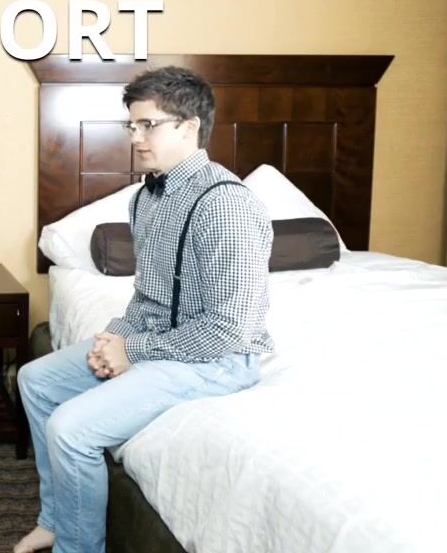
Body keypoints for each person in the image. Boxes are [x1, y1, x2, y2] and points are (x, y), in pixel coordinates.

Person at [14, 66, 273, 553]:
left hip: (214, 361)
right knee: (35, 379)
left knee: (71, 429)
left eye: (148, 125)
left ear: (190, 127)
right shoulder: (145, 199)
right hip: (159, 342)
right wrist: (113, 338)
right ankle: (57, 520)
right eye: (131, 125)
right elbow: (148, 294)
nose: (135, 137)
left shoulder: (226, 206)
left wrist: (134, 353)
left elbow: (231, 329)